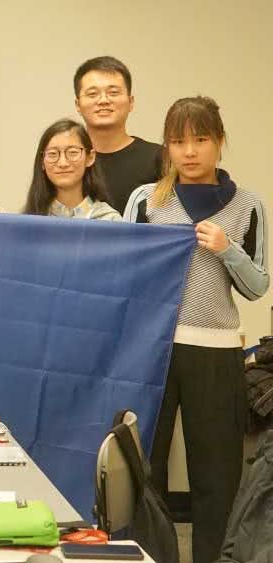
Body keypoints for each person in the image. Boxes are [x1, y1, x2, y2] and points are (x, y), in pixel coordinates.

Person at [125, 96, 268, 563]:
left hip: (217, 351)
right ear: (167, 146)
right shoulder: (146, 200)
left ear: (219, 142)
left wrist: (228, 249)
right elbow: (124, 271)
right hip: (153, 350)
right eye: (178, 141)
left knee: (217, 475)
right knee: (144, 470)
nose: (189, 151)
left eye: (201, 139)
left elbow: (257, 287)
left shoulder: (247, 205)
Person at [74, 56, 162, 214]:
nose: (103, 100)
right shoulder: (66, 161)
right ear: (78, 105)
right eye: (92, 94)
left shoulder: (159, 158)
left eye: (113, 93)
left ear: (131, 102)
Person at [22, 119, 120, 220]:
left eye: (73, 152)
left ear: (90, 158)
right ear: (42, 161)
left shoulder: (109, 220)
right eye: (53, 154)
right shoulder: (29, 220)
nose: (63, 163)